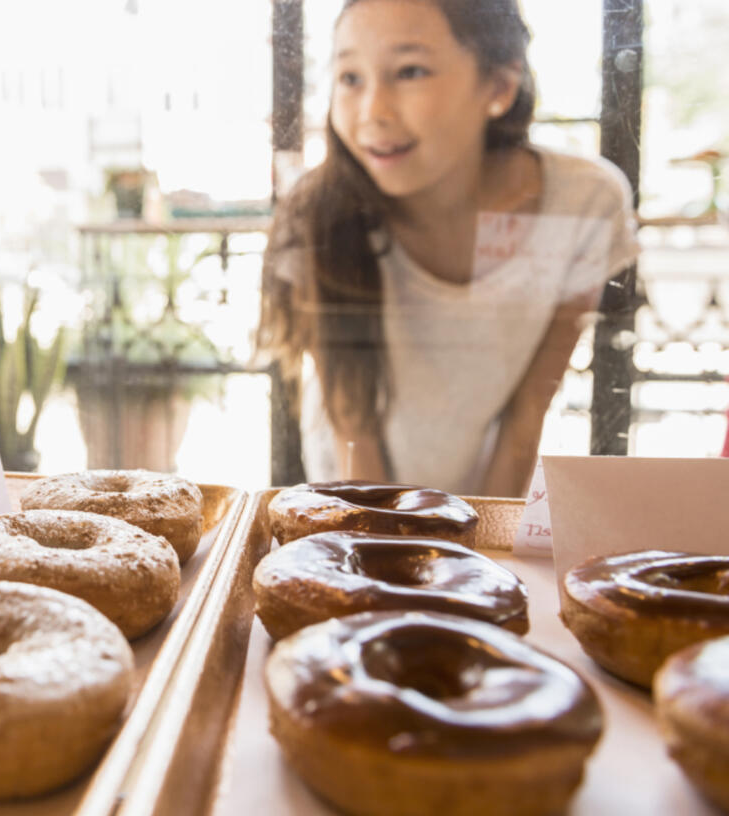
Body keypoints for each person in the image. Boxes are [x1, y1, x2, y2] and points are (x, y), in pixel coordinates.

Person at [257, 0, 640, 497]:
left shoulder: (583, 202)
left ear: (500, 87)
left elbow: (527, 413)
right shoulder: (320, 208)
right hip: (353, 488)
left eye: (410, 71)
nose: (373, 111)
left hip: (486, 483)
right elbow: (352, 416)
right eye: (350, 77)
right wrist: (386, 546)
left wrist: (482, 545)